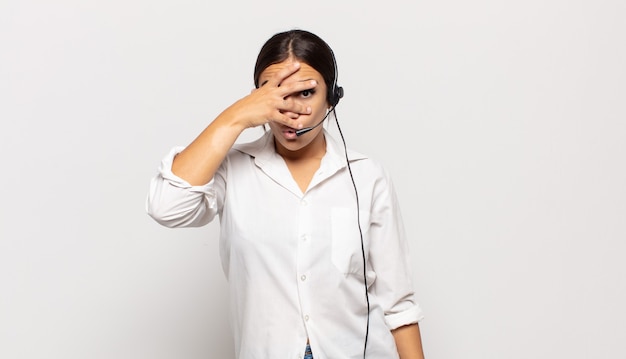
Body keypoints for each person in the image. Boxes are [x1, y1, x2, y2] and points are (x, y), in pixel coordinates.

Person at [146, 29, 425, 359]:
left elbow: (398, 305)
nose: (290, 108)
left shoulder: (368, 177)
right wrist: (236, 116)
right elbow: (168, 206)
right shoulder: (231, 170)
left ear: (332, 97)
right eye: (275, 93)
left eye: (306, 92)